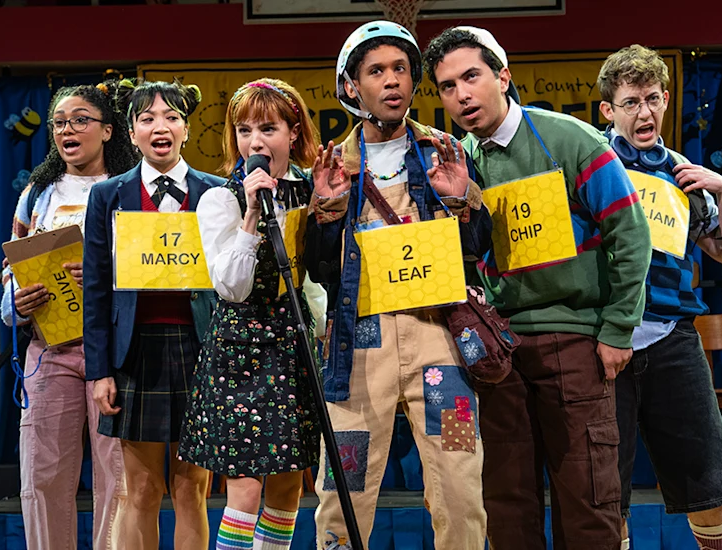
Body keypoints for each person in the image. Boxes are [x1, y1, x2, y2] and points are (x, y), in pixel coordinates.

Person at [425, 26, 652, 550]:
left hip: (573, 342)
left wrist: (618, 329)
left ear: (504, 75)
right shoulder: (454, 163)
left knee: (588, 500)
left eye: (471, 77)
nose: (461, 94)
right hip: (496, 355)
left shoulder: (569, 138)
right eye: (446, 86)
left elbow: (630, 233)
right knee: (506, 505)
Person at [305, 20, 494, 550]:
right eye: (376, 71)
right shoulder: (331, 164)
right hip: (358, 348)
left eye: (401, 70)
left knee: (459, 483)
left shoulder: (445, 152)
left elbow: (479, 249)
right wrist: (325, 214)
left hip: (440, 344)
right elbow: (320, 270)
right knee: (345, 490)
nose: (392, 81)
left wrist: (460, 205)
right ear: (350, 87)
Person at [597, 44, 722, 550]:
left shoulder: (682, 171)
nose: (646, 112)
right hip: (602, 343)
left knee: (704, 472)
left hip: (671, 338)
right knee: (603, 484)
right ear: (608, 110)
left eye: (654, 99)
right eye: (633, 101)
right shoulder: (588, 161)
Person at [179, 78, 325, 550]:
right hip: (241, 350)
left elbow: (314, 275)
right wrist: (251, 215)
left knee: (288, 483)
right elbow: (232, 287)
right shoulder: (219, 199)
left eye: (268, 128)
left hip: (294, 342)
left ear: (293, 132)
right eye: (244, 131)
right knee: (245, 484)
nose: (255, 142)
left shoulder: (310, 191)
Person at [83, 79, 223, 550]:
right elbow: (98, 290)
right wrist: (99, 371)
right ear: (131, 131)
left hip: (200, 349)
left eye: (171, 117)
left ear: (186, 127)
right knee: (140, 489)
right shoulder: (108, 197)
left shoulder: (219, 193)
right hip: (135, 353)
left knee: (192, 489)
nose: (160, 127)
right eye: (147, 119)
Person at [2, 80, 135, 550]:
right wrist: (15, 305)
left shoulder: (129, 189)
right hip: (49, 351)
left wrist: (103, 274)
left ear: (108, 130)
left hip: (114, 355)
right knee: (42, 476)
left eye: (80, 120)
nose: (67, 130)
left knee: (116, 477)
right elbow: (11, 272)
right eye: (59, 123)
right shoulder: (38, 194)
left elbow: (149, 272)